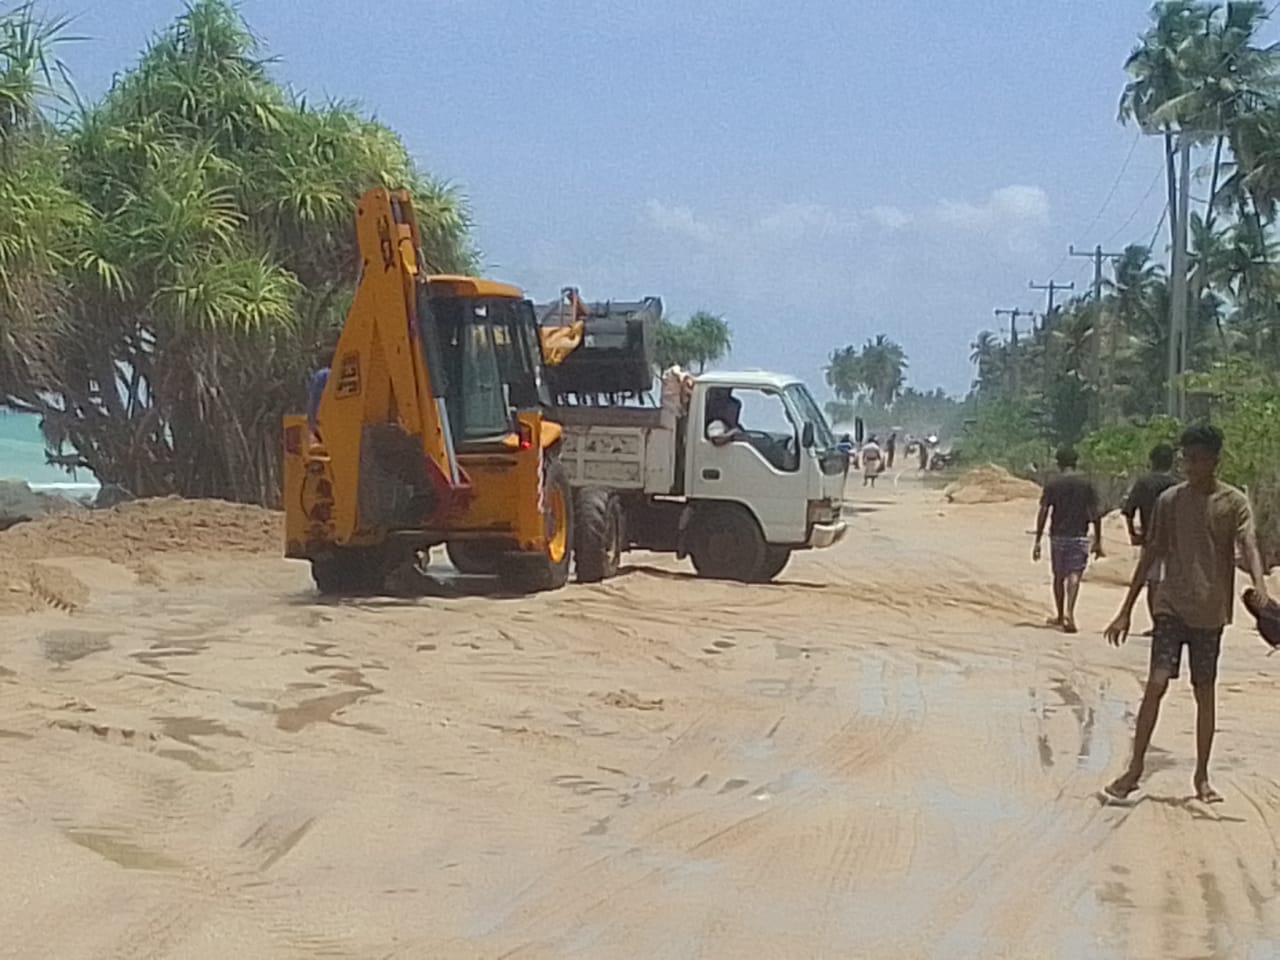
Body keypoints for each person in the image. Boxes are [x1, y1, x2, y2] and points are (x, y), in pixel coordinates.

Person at [1102, 424, 1270, 805]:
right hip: (1171, 606)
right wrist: (1126, 609)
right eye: (1186, 459)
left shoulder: (1234, 502)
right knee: (1157, 683)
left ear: (1215, 460)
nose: (1190, 466)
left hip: (1210, 612)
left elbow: (1249, 544)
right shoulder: (1170, 501)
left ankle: (1202, 777)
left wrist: (1261, 588)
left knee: (1204, 693)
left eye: (1197, 459)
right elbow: (1152, 552)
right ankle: (1134, 770)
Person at [1033, 446, 1103, 634]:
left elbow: (1044, 511)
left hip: (1058, 536)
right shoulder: (1086, 484)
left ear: (1059, 463)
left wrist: (1038, 539)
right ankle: (1070, 612)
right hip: (1080, 535)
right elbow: (1095, 513)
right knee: (1074, 574)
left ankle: (1060, 613)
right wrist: (1098, 539)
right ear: (1076, 461)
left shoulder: (1053, 484)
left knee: (1058, 576)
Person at [1121, 443, 1179, 633]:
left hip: (1151, 539)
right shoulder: (1177, 485)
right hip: (1174, 543)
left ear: (1151, 461)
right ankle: (1168, 623)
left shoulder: (1143, 483)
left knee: (1153, 583)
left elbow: (1128, 511)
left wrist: (1133, 534)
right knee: (1170, 583)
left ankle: (1157, 624)